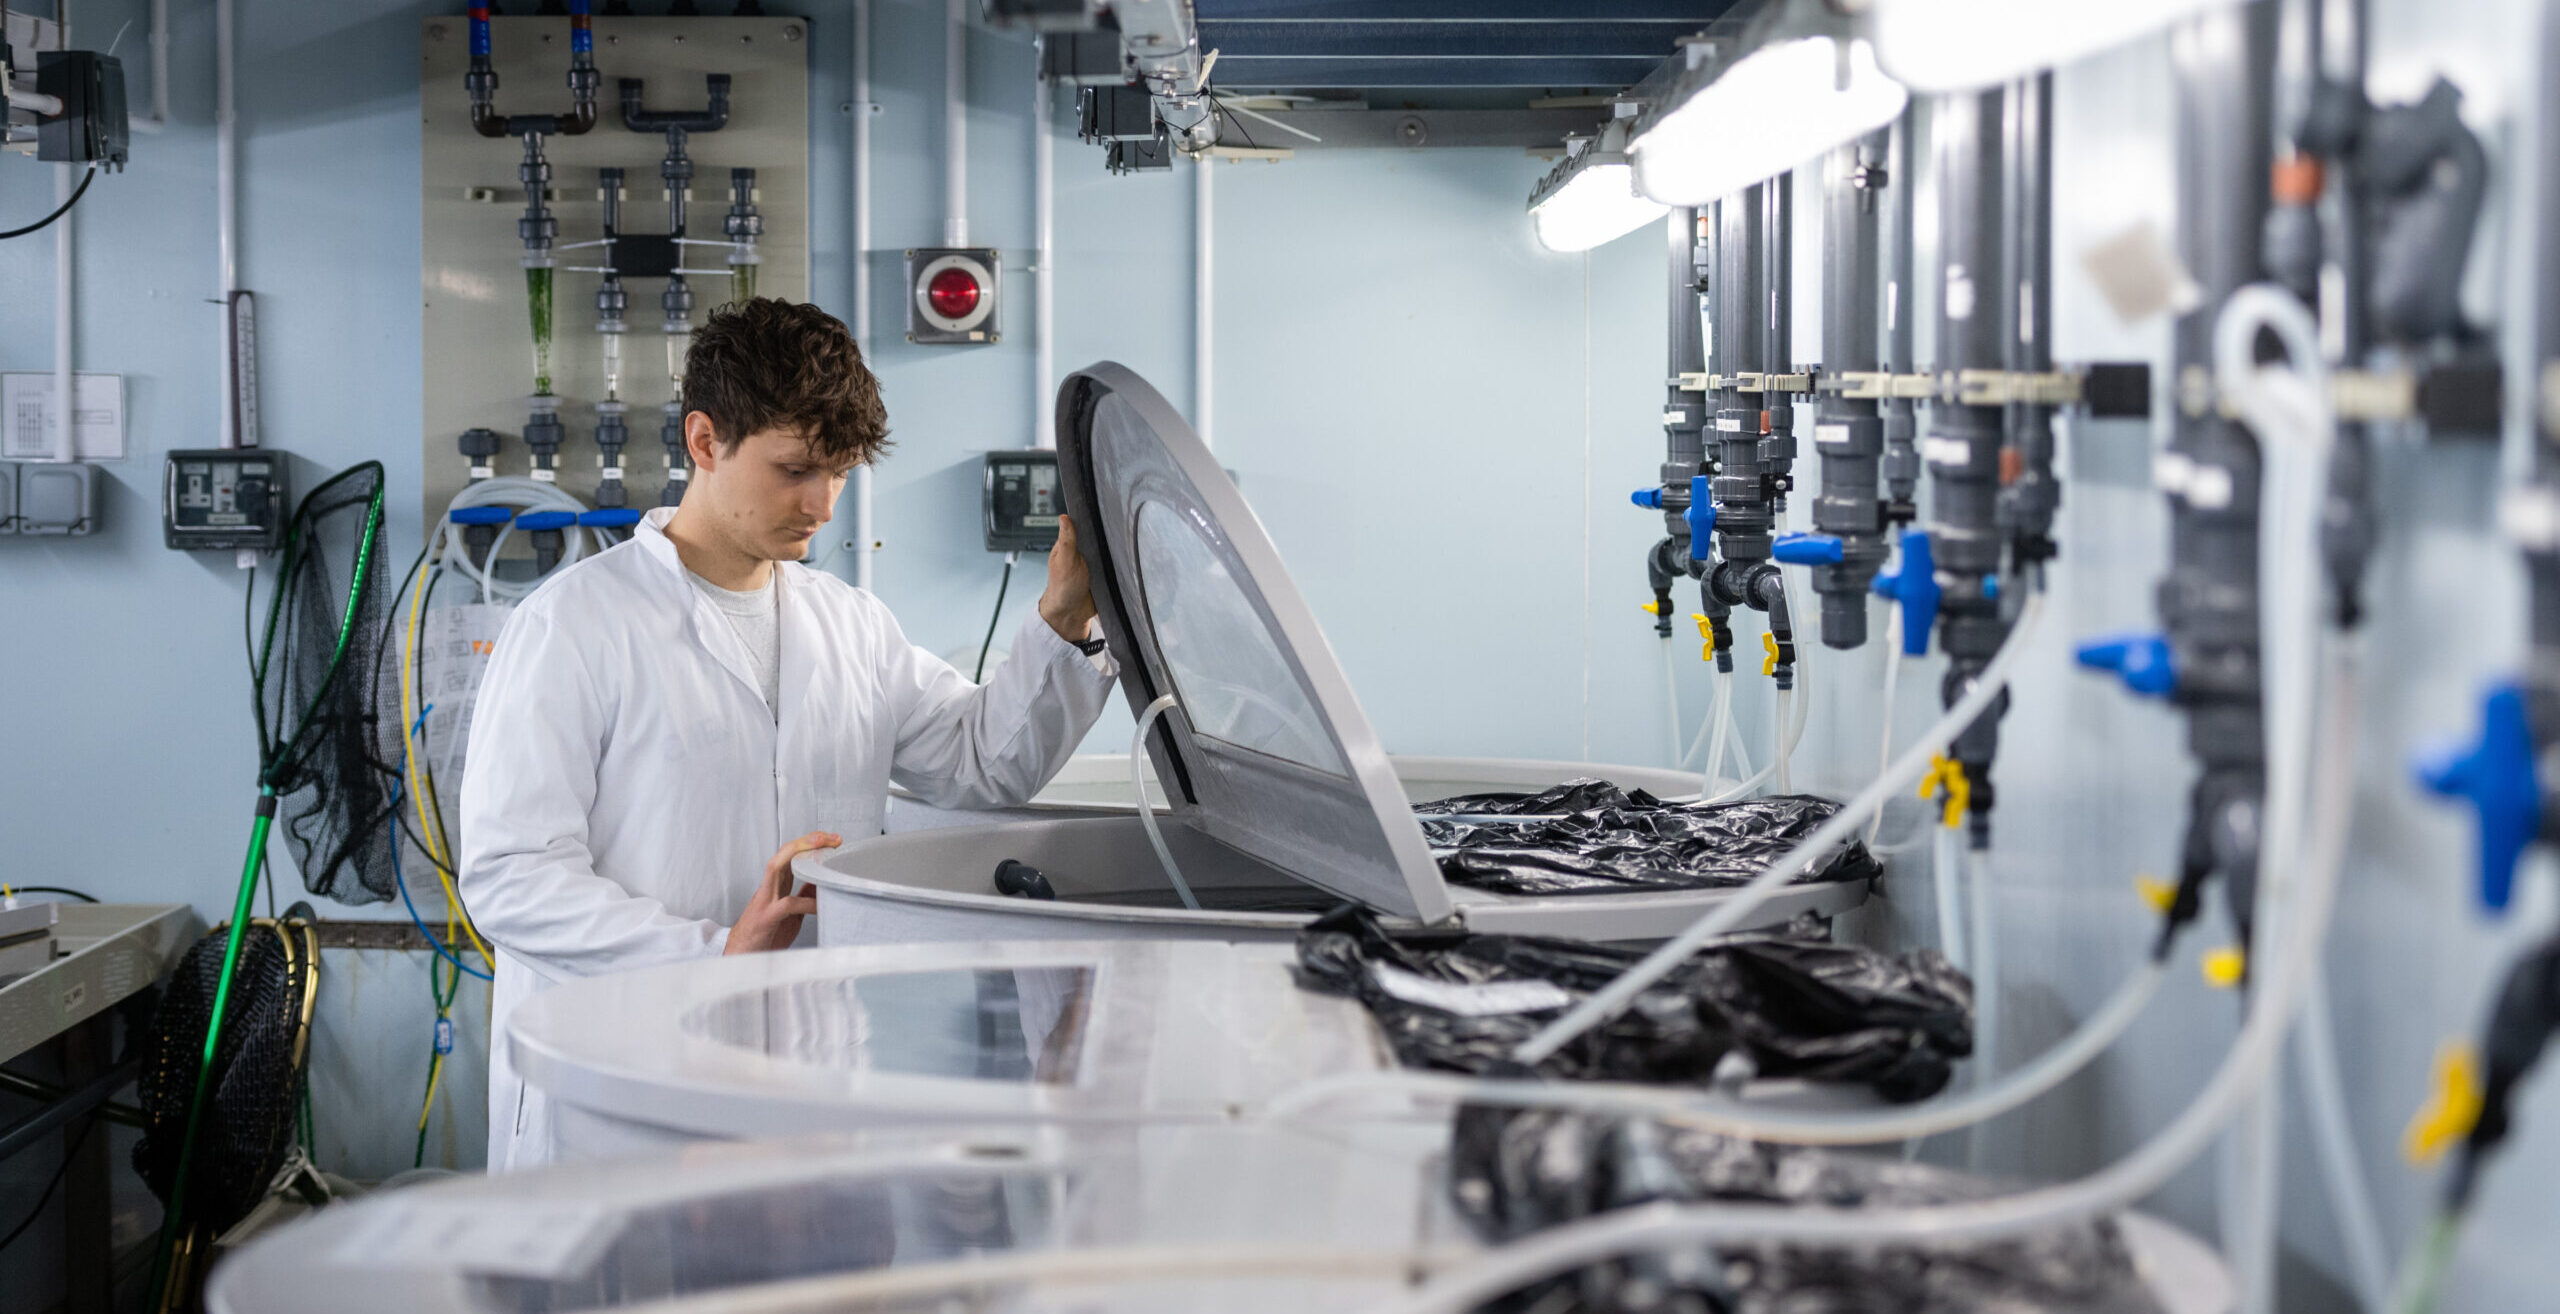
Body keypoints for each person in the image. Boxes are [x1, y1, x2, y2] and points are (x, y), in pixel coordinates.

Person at [458, 298, 1115, 1171]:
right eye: (796, 469)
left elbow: (981, 763)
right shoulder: (574, 624)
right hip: (624, 1080)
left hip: (803, 1084)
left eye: (840, 474)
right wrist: (713, 954)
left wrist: (1063, 621)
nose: (822, 505)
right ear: (704, 442)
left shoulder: (850, 626)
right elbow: (509, 876)